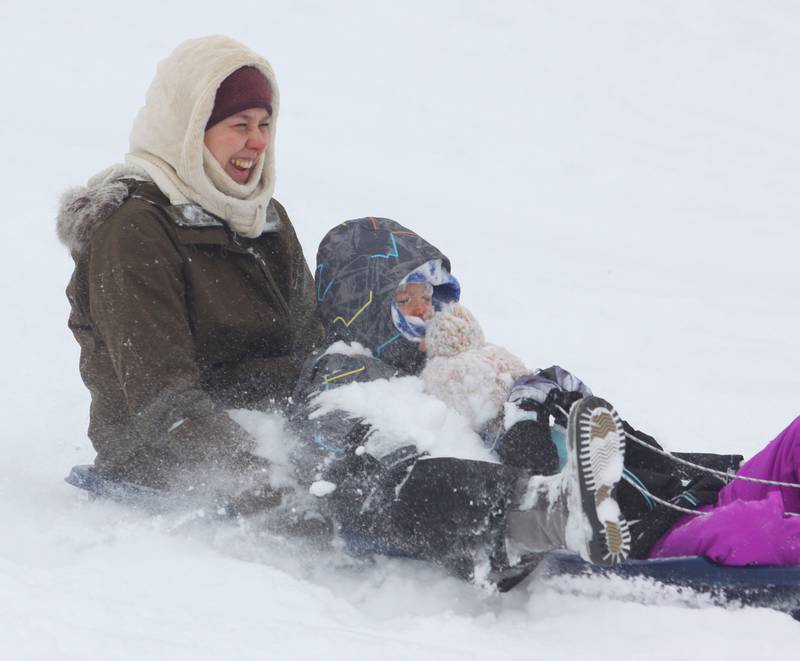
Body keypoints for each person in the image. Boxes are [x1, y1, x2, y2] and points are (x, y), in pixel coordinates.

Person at [288, 216, 692, 582]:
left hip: (471, 485)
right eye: (405, 300)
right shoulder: (342, 367)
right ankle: (557, 515)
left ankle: (677, 485)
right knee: (429, 479)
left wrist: (521, 410)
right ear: (359, 306)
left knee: (552, 432)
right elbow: (328, 442)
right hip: (383, 502)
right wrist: (386, 446)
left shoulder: (435, 369)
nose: (425, 313)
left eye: (428, 299)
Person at [57, 36, 324, 506]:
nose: (258, 142)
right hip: (170, 457)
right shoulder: (132, 231)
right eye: (239, 124)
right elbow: (163, 398)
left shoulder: (262, 215)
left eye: (264, 124)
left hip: (275, 421)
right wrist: (265, 478)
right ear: (189, 127)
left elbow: (313, 348)